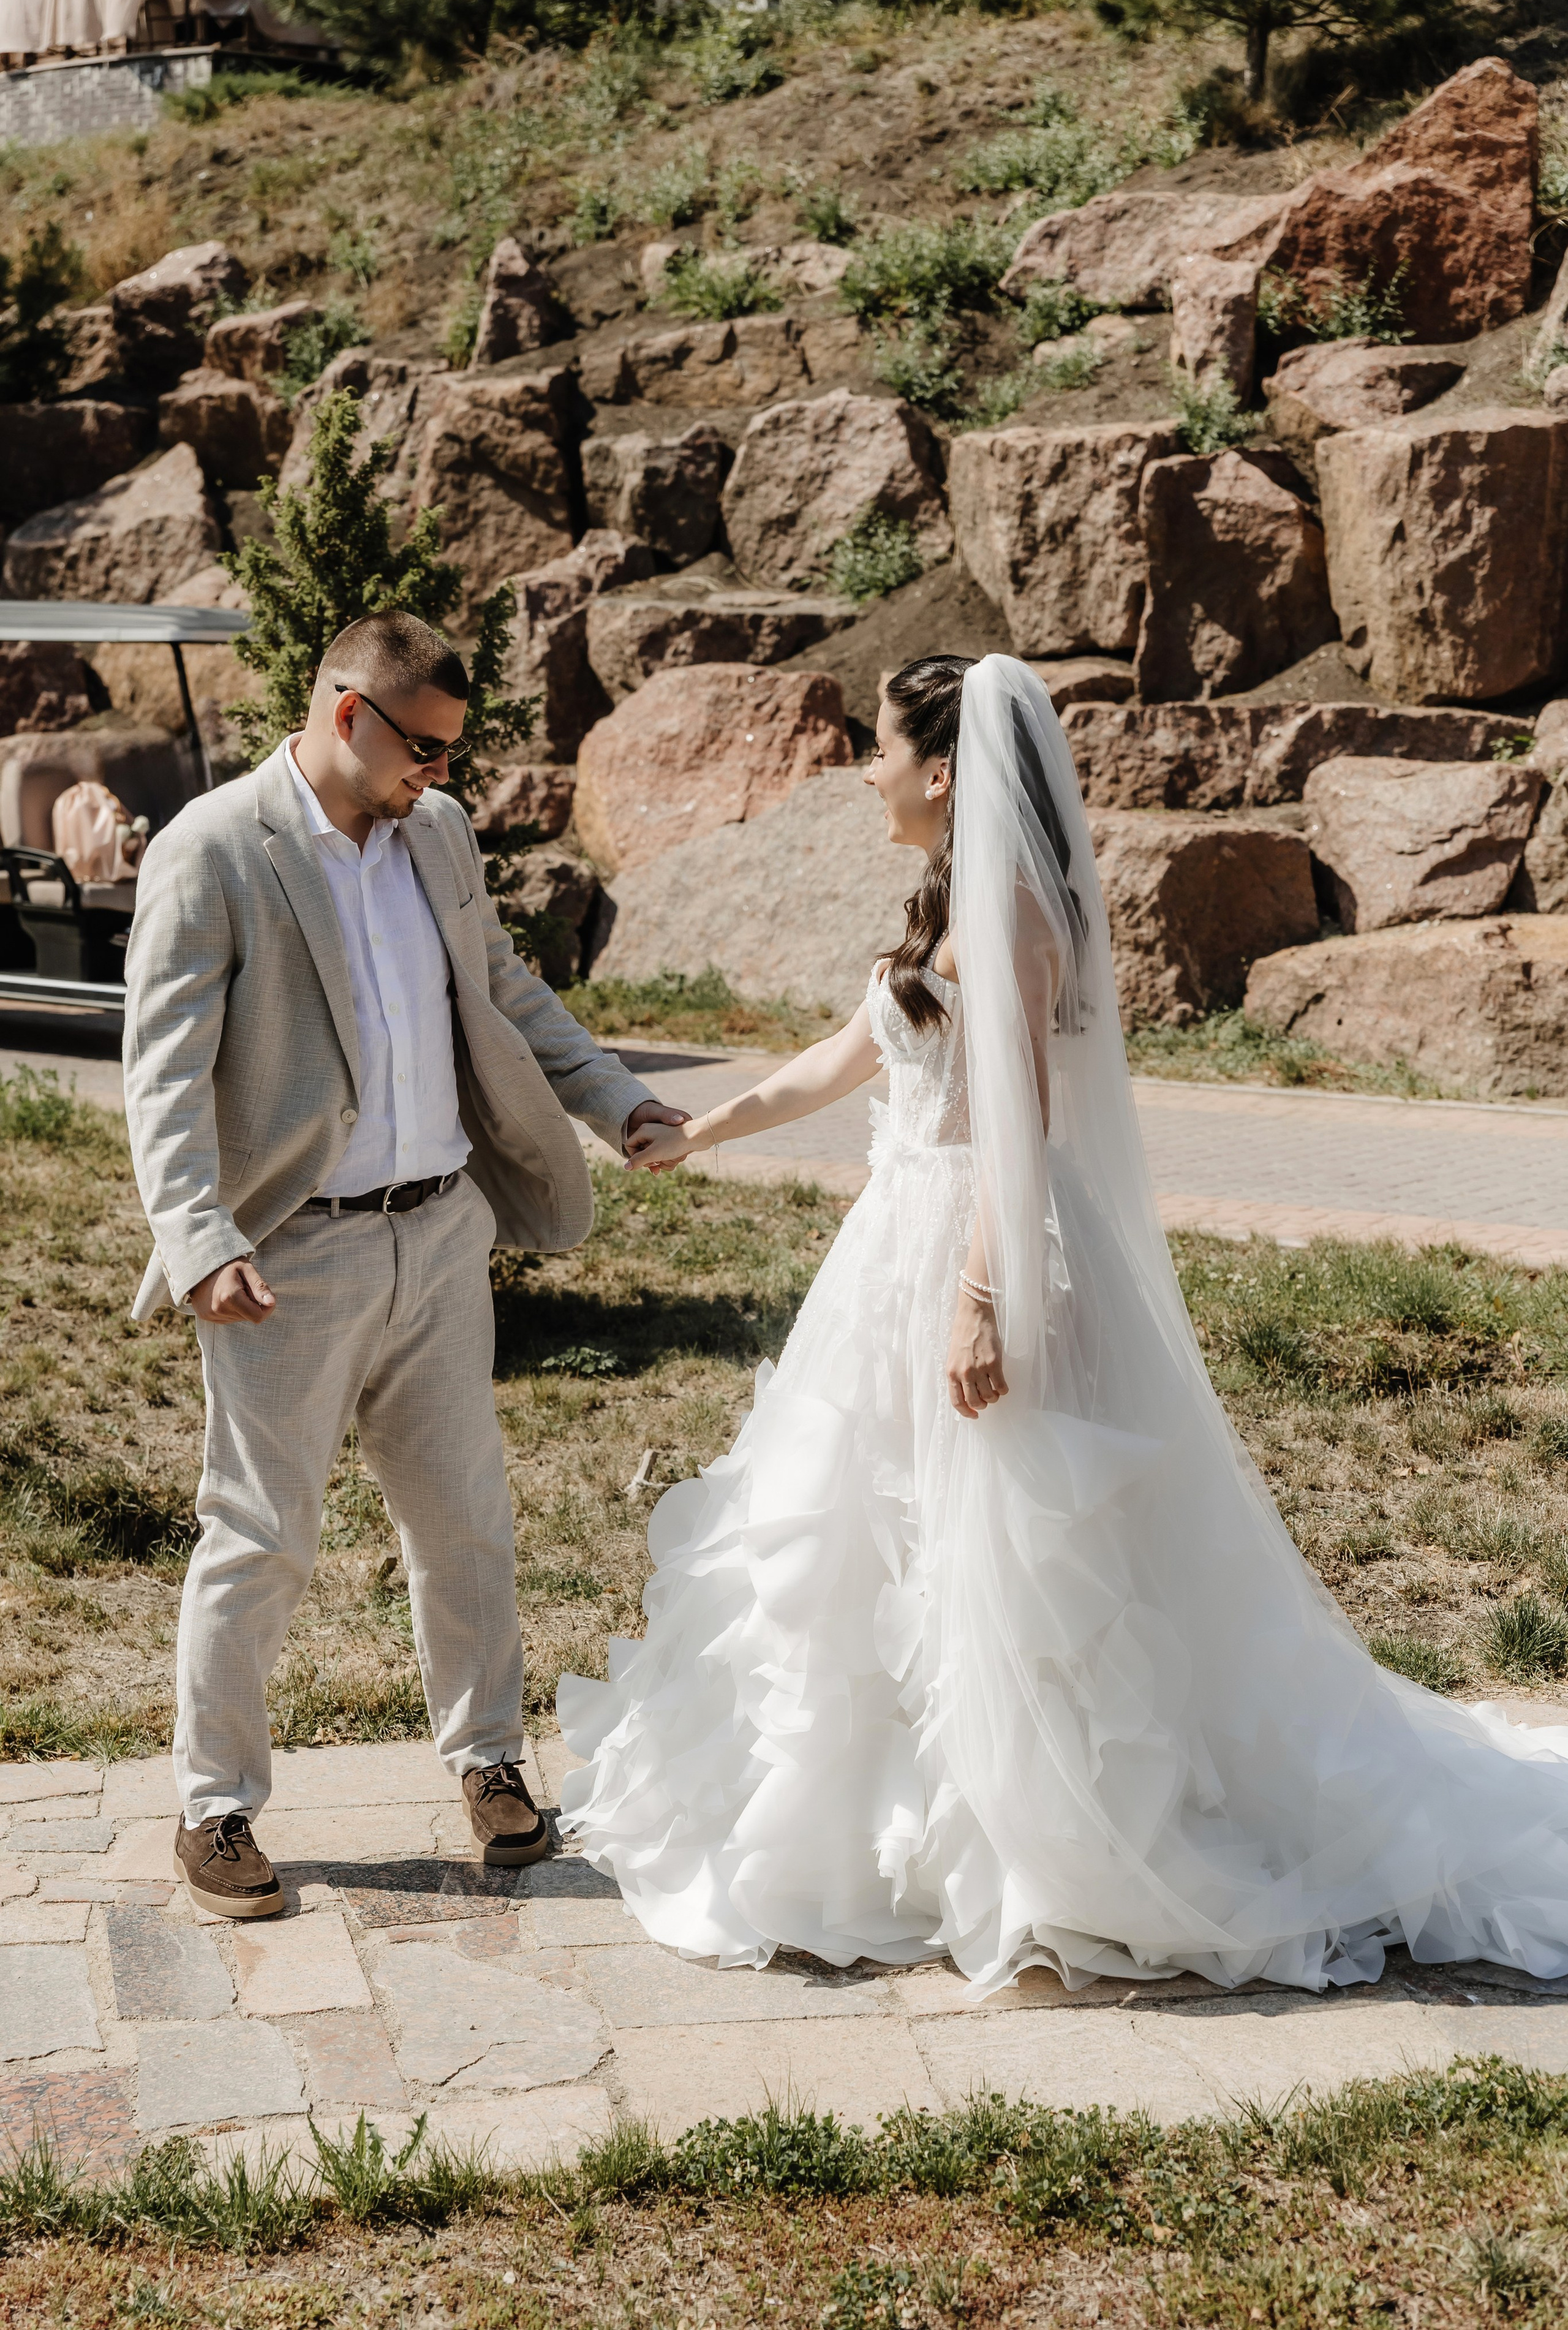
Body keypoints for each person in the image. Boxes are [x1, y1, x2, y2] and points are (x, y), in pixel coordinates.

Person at [558, 649, 1568, 1997]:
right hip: (896, 1249)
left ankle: (1038, 1845)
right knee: (869, 1535)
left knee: (1010, 1558)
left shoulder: (1013, 914)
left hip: (979, 1254)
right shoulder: (943, 904)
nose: (863, 773)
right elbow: (843, 1056)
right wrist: (698, 1127)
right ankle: (878, 1825)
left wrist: (984, 1303)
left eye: (875, 747)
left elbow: (1016, 1133)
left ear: (937, 769)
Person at [124, 610, 687, 1920]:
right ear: (342, 712)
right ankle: (214, 1810)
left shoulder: (435, 835)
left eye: (448, 754)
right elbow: (161, 1080)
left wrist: (616, 1102)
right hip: (288, 1258)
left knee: (466, 1523)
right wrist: (200, 1239)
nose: (435, 777)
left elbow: (504, 993)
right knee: (260, 1535)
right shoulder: (214, 850)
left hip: (439, 1236)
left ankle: (490, 1761)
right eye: (419, 749)